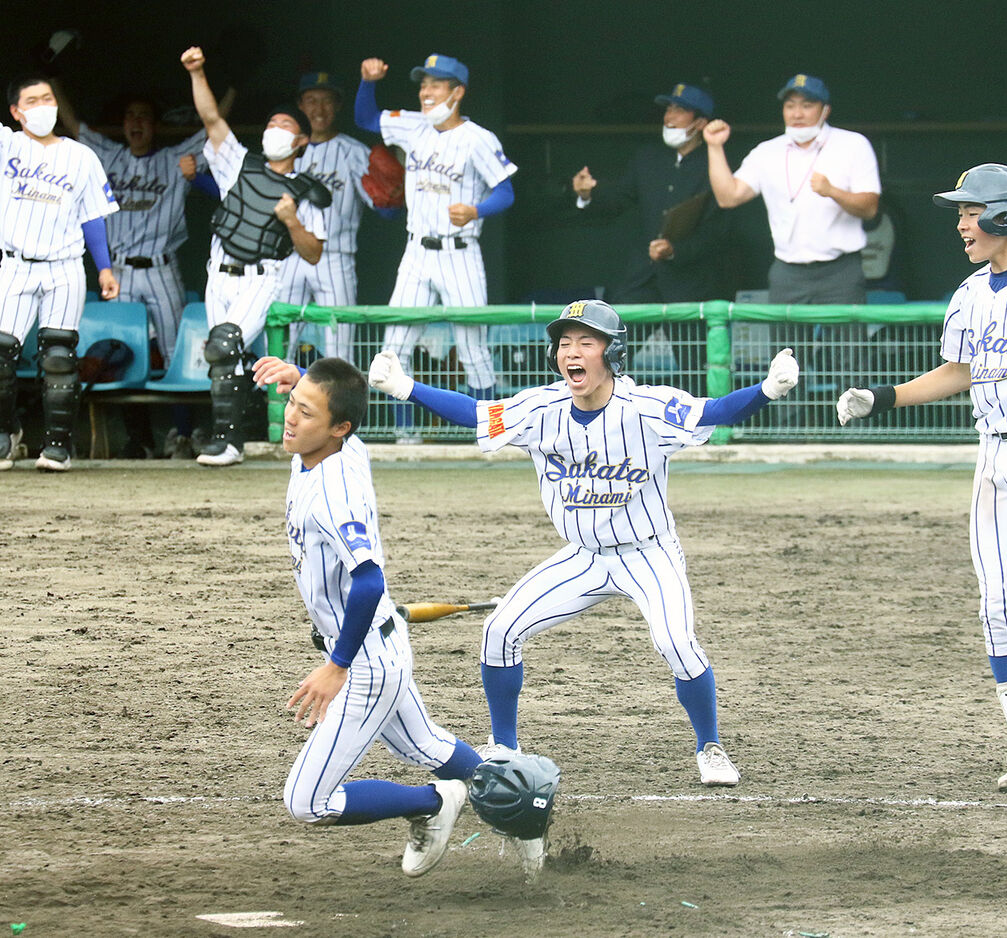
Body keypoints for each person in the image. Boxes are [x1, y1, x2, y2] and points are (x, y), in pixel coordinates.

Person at [368, 298, 800, 801]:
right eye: (565, 343)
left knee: (676, 644)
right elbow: (478, 413)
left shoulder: (646, 410)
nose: (572, 352)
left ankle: (710, 746)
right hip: (584, 556)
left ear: (611, 354)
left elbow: (716, 410)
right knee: (499, 629)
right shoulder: (541, 408)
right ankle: (503, 747)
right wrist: (405, 388)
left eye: (586, 343)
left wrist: (769, 390)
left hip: (648, 552)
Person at [836, 164, 1007, 791]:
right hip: (993, 457)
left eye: (971, 211)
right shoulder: (969, 294)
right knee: (995, 605)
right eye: (961, 212)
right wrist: (882, 397)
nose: (962, 223)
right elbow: (958, 373)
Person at [248, 353, 481, 878]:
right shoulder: (339, 444)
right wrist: (303, 383)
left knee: (307, 802)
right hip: (383, 641)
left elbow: (369, 579)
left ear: (339, 429)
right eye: (292, 404)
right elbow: (333, 396)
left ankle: (432, 804)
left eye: (306, 413)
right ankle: (519, 800)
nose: (290, 418)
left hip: (366, 659)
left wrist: (337, 665)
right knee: (427, 744)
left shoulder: (335, 494)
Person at [54, 84, 233, 458]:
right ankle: (140, 441)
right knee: (118, 353)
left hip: (160, 269)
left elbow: (214, 125)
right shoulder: (108, 155)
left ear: (154, 126)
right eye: (131, 116)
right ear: (123, 124)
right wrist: (52, 78)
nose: (137, 122)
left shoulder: (174, 158)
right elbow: (73, 125)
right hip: (117, 269)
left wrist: (231, 87)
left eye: (144, 117)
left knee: (173, 352)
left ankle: (181, 435)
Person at [182, 45, 331, 467]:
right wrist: (197, 73)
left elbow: (314, 253)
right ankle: (229, 439)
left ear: (300, 140)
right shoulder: (240, 164)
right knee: (222, 356)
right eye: (271, 123)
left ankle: (228, 443)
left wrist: (292, 222)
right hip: (219, 272)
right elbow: (212, 120)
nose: (275, 130)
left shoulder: (307, 192)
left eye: (284, 125)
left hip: (261, 276)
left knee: (225, 345)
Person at [356, 53, 517, 440]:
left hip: (459, 253)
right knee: (394, 345)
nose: (426, 92)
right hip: (415, 252)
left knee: (473, 349)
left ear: (457, 92)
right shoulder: (413, 126)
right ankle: (404, 437)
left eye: (436, 85)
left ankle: (489, 434)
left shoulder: (478, 138)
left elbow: (506, 192)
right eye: (423, 84)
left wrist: (477, 209)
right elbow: (365, 118)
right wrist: (368, 82)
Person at [704, 73, 881, 387]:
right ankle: (788, 433)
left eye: (807, 105)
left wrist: (833, 191)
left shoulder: (853, 145)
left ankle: (858, 433)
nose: (797, 114)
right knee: (784, 361)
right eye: (790, 106)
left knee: (851, 357)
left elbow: (869, 207)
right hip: (787, 272)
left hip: (840, 271)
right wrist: (715, 147)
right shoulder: (767, 151)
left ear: (824, 110)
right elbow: (728, 196)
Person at [571, 82, 727, 394]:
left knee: (697, 364)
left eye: (680, 110)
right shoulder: (648, 157)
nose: (670, 116)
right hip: (642, 278)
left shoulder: (716, 165)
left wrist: (675, 251)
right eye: (668, 108)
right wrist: (588, 194)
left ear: (700, 122)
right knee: (610, 350)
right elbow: (619, 199)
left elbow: (720, 233)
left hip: (691, 283)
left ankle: (705, 431)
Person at [0, 73, 119, 473]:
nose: (43, 106)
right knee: (1, 353)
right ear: (16, 112)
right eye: (31, 101)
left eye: (47, 97)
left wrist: (104, 267)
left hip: (65, 267)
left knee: (58, 357)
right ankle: (5, 433)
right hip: (15, 263)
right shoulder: (7, 144)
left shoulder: (81, 156)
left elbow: (93, 219)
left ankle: (56, 447)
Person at [279, 71, 375, 364]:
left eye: (326, 101)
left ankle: (339, 411)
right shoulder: (284, 150)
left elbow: (384, 207)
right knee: (279, 344)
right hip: (288, 257)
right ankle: (273, 408)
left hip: (335, 257)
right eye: (311, 101)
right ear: (300, 105)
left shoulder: (356, 153)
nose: (319, 109)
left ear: (338, 106)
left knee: (339, 351)